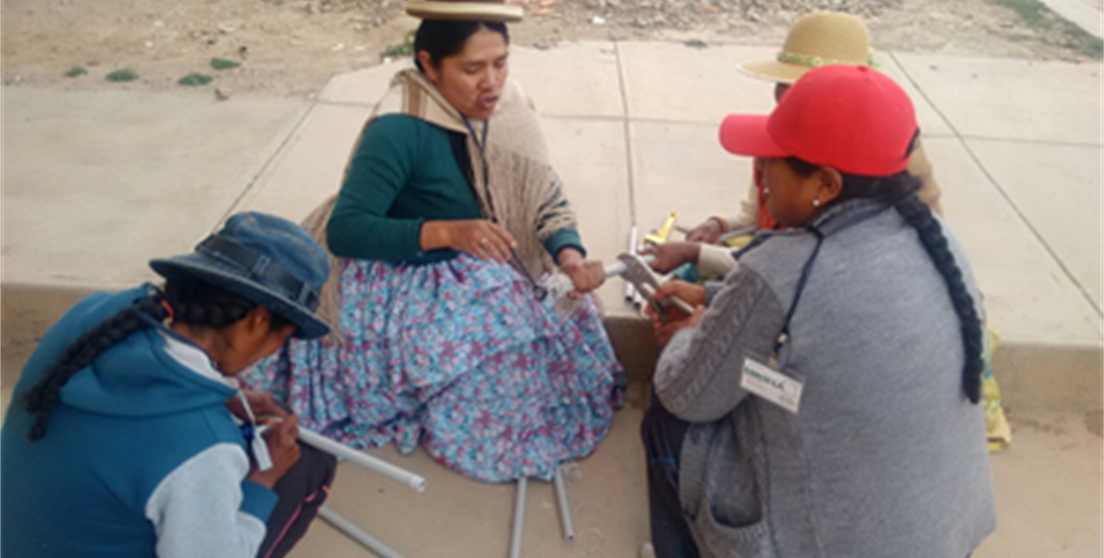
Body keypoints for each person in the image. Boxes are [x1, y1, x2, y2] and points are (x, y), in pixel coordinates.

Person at [243, 0, 623, 483]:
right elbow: (347, 229)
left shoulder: (509, 106)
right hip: (401, 260)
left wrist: (570, 253)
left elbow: (542, 193)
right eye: (472, 69)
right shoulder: (399, 126)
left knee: (565, 312)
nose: (492, 82)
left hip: (474, 249)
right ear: (429, 65)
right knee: (494, 339)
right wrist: (449, 232)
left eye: (500, 63)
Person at [640, 65, 995, 557]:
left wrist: (688, 336)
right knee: (759, 383)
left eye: (772, 159)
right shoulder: (935, 239)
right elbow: (807, 378)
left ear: (825, 185)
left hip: (836, 544)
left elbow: (686, 394)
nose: (759, 170)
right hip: (941, 530)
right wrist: (717, 306)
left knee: (666, 418)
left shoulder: (781, 269)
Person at [0, 212, 337, 558]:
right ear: (259, 319)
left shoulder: (94, 317)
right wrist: (261, 483)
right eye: (281, 338)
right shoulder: (203, 448)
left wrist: (222, 396)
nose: (271, 352)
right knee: (311, 463)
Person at [646, 11, 942, 275]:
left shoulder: (836, 250)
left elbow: (780, 269)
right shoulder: (794, 147)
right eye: (783, 94)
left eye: (798, 95)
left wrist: (699, 257)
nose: (784, 108)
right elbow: (758, 222)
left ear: (826, 185)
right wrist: (720, 226)